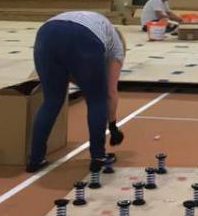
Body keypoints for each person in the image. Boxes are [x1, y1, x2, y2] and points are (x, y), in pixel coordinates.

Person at [27, 11, 126, 173]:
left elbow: (68, 71)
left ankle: (35, 159)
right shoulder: (116, 48)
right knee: (96, 100)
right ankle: (98, 157)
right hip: (83, 36)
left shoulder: (98, 24)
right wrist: (113, 126)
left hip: (46, 33)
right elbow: (110, 92)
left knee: (51, 101)